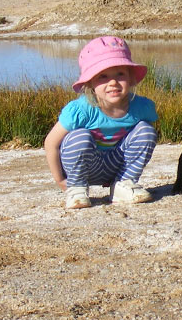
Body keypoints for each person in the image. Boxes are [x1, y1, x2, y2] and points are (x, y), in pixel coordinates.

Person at [44, 36, 158, 207]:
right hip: (86, 167)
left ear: (131, 77)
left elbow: (143, 143)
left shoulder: (142, 107)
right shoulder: (81, 109)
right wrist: (60, 180)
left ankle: (123, 184)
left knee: (146, 131)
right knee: (79, 136)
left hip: (116, 164)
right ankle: (77, 189)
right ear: (90, 83)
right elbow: (51, 143)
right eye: (102, 76)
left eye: (120, 74)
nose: (112, 82)